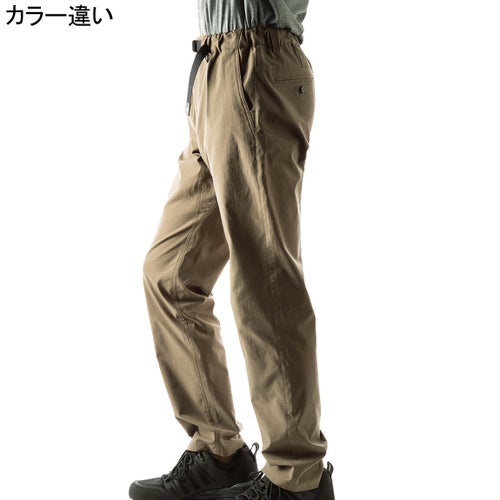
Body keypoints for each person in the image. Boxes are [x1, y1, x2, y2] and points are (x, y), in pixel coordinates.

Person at [129, 1, 335, 499]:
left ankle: (297, 478)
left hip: (255, 61)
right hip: (212, 70)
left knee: (265, 281)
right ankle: (219, 450)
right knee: (169, 275)